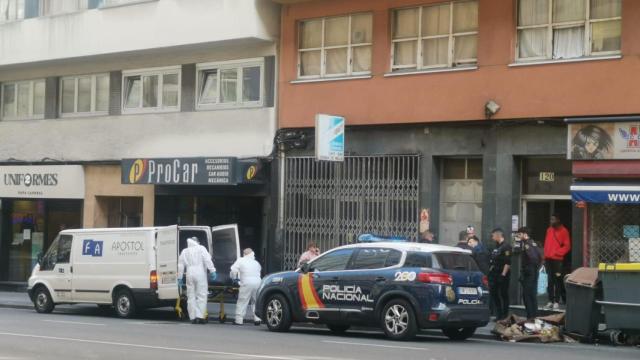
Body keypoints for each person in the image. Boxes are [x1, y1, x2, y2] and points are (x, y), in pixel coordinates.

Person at [178, 237, 216, 324]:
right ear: (197, 242)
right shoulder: (201, 248)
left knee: (191, 296)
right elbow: (207, 259)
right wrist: (212, 270)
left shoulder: (185, 251)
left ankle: (193, 317)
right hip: (200, 272)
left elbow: (180, 265)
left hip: (189, 273)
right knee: (201, 295)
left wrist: (179, 277)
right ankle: (200, 316)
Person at [543, 214, 571, 310]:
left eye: (553, 219)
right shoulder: (549, 230)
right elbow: (546, 243)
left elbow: (567, 246)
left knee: (558, 280)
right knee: (550, 280)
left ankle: (557, 301)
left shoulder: (564, 231)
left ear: (558, 220)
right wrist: (545, 255)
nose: (551, 221)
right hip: (548, 259)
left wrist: (557, 253)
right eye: (551, 219)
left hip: (557, 260)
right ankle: (550, 300)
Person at [230, 248, 262, 326]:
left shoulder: (241, 260)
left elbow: (233, 270)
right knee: (256, 301)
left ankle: (239, 320)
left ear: (244, 254)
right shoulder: (256, 263)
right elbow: (259, 271)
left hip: (246, 283)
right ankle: (257, 319)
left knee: (242, 301)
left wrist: (233, 278)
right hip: (258, 282)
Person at [517, 227, 543, 320]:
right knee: (532, 294)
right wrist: (537, 267)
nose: (518, 236)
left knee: (527, 295)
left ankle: (530, 316)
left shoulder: (527, 244)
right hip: (534, 271)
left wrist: (529, 268)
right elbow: (540, 257)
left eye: (519, 234)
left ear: (524, 234)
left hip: (529, 271)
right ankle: (535, 316)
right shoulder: (533, 243)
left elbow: (533, 257)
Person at [489, 228, 511, 320]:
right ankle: (499, 314)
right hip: (495, 273)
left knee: (503, 294)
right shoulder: (496, 246)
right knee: (494, 293)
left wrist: (503, 274)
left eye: (493, 235)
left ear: (498, 235)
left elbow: (508, 262)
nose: (492, 237)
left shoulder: (506, 246)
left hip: (503, 274)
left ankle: (504, 315)